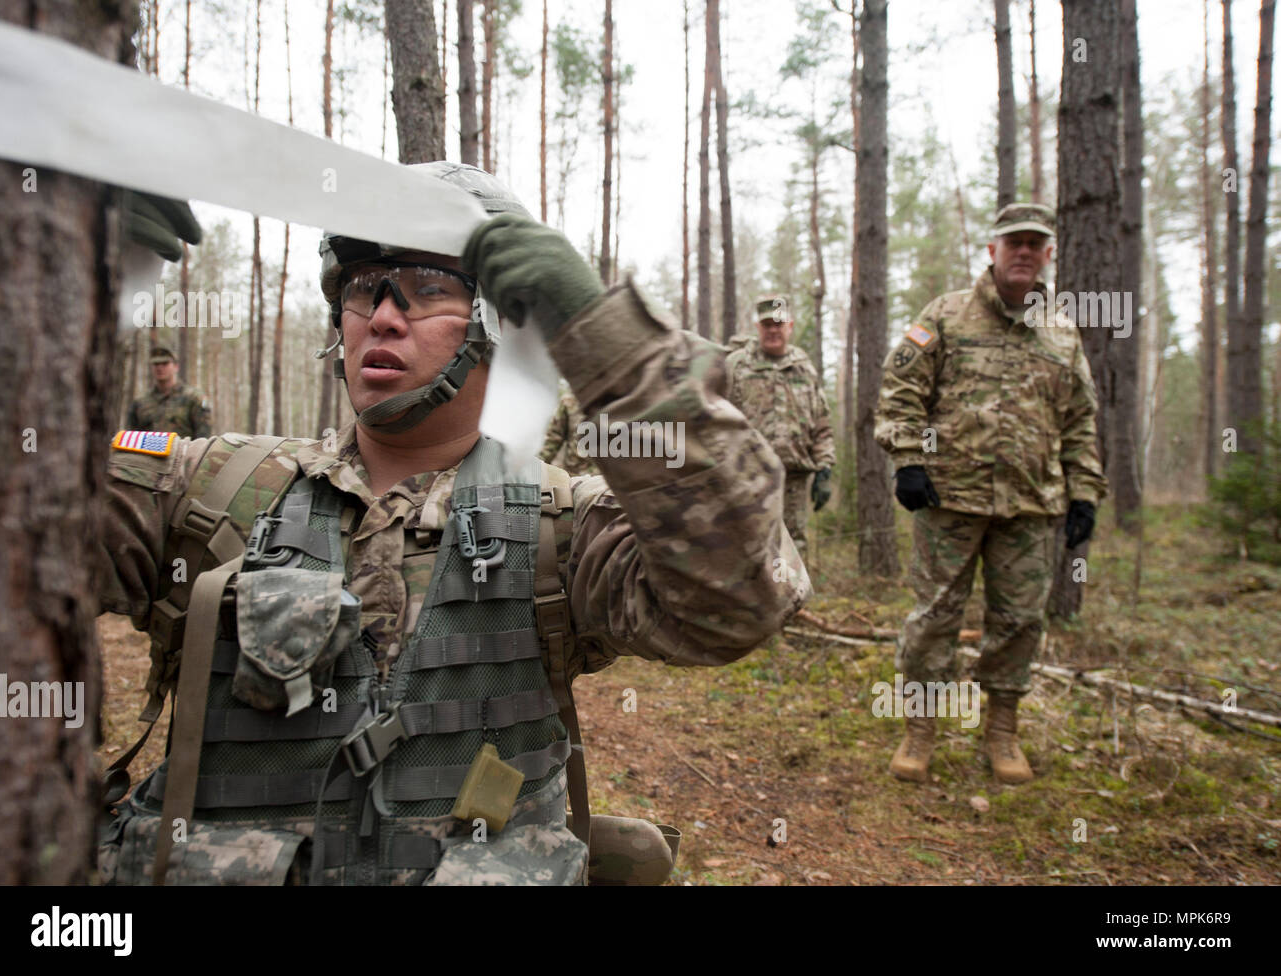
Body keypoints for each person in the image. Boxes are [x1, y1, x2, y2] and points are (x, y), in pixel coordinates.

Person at [96, 162, 809, 885]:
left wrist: (611, 347)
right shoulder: (211, 489)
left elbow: (740, 597)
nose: (381, 315)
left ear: (495, 320)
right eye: (362, 288)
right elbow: (13, 513)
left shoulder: (562, 526)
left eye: (428, 288)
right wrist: (65, 281)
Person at [874, 202, 1107, 785]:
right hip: (947, 499)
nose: (1023, 252)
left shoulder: (1061, 331)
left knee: (1020, 621)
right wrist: (909, 460)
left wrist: (1084, 492)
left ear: (1048, 254)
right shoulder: (946, 316)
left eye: (1035, 243)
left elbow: (1080, 419)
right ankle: (920, 730)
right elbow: (902, 389)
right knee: (933, 619)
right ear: (992, 251)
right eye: (1013, 243)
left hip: (1030, 506)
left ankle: (1002, 731)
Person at [723, 295, 835, 556]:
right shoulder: (737, 365)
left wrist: (825, 467)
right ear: (757, 327)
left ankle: (792, 598)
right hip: (748, 478)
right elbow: (717, 418)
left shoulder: (803, 368)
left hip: (793, 481)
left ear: (790, 326)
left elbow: (821, 422)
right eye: (767, 325)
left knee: (793, 550)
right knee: (748, 549)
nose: (773, 330)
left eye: (778, 324)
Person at [125, 344, 212, 439]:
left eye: (165, 363)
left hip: (183, 452)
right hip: (148, 453)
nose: (160, 368)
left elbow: (203, 438)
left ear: (176, 366)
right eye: (156, 364)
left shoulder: (193, 398)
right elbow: (131, 438)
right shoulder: (140, 402)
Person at [541, 384, 600, 476]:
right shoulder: (570, 400)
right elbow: (552, 439)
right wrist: (533, 469)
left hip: (613, 482)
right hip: (576, 478)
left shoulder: (623, 396)